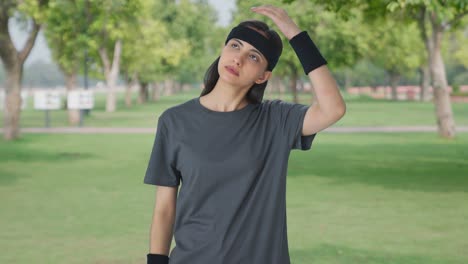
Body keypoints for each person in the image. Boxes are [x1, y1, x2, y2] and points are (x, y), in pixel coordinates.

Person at [143, 5, 346, 264]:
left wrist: (295, 34)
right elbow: (164, 209)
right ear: (223, 49)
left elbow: (333, 109)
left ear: (263, 76)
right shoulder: (175, 122)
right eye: (235, 46)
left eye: (254, 56)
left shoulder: (277, 121)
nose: (238, 58)